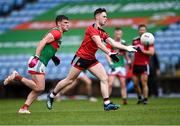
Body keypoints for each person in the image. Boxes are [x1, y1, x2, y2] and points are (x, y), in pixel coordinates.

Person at [46, 8, 136, 111]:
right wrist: (109, 53)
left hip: (91, 59)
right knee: (69, 80)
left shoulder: (102, 32)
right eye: (104, 16)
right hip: (81, 58)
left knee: (104, 78)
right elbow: (99, 43)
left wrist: (127, 48)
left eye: (106, 17)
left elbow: (113, 43)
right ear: (97, 17)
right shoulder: (91, 28)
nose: (106, 19)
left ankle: (107, 104)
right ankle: (52, 95)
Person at [3, 15, 70, 114]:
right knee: (40, 88)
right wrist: (37, 57)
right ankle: (17, 77)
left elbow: (48, 46)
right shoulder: (56, 32)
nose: (68, 25)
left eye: (68, 23)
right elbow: (42, 42)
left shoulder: (57, 32)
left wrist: (53, 56)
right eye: (65, 23)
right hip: (38, 61)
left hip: (40, 61)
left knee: (38, 89)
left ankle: (24, 108)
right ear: (59, 23)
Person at [105, 27, 131, 105]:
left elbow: (126, 54)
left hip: (122, 66)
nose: (118, 35)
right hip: (114, 65)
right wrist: (110, 63)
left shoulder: (124, 42)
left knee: (123, 83)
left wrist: (128, 60)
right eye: (117, 33)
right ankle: (107, 101)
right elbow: (107, 53)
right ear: (114, 34)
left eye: (119, 33)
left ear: (121, 34)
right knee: (110, 83)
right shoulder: (111, 42)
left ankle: (124, 99)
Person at [132, 24, 155, 105]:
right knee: (135, 84)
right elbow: (132, 52)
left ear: (146, 31)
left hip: (144, 64)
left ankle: (145, 99)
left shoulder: (149, 40)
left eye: (143, 30)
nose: (142, 31)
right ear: (138, 31)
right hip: (135, 64)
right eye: (140, 30)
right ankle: (139, 97)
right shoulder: (134, 40)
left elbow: (152, 52)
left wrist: (142, 51)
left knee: (144, 82)